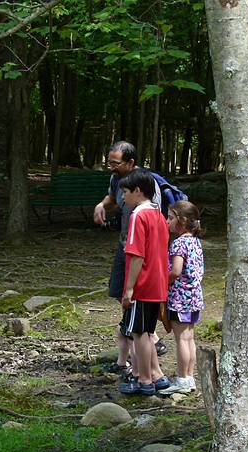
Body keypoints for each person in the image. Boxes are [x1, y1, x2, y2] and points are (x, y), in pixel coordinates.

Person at [93, 141, 185, 377]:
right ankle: (141, 361)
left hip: (142, 254)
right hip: (126, 247)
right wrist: (102, 205)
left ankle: (145, 372)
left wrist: (134, 284)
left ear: (130, 163)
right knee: (120, 294)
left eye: (115, 163)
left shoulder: (146, 187)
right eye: (109, 162)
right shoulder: (117, 180)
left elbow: (157, 220)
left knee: (137, 309)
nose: (111, 167)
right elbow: (112, 199)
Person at [115, 168, 174, 395]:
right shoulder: (159, 215)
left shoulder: (138, 215)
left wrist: (129, 288)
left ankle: (145, 381)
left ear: (138, 191)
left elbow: (137, 254)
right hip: (158, 283)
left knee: (138, 333)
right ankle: (156, 378)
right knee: (147, 332)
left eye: (126, 192)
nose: (123, 198)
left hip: (143, 284)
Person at [160, 201, 205, 395]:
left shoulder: (178, 243)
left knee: (181, 340)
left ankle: (181, 378)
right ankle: (189, 377)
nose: (167, 222)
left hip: (179, 298)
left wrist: (164, 280)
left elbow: (176, 271)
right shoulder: (195, 242)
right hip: (195, 297)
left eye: (170, 218)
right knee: (189, 338)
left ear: (182, 220)